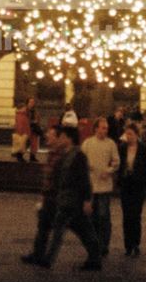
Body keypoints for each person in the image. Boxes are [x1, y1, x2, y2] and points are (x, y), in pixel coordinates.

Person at [41, 124, 102, 271]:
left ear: (69, 139)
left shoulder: (78, 156)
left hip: (74, 201)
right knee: (82, 231)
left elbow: (84, 179)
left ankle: (49, 260)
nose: (59, 139)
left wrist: (87, 200)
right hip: (67, 200)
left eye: (62, 137)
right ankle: (95, 259)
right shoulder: (66, 155)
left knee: (75, 230)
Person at [20, 125, 62, 265]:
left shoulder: (61, 155)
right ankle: (38, 254)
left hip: (57, 198)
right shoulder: (52, 153)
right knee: (43, 227)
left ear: (57, 138)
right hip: (50, 196)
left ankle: (94, 254)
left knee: (76, 228)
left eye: (50, 134)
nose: (46, 136)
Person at [82, 116, 119, 257]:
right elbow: (82, 160)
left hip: (104, 187)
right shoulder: (88, 143)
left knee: (103, 216)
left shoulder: (111, 144)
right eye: (103, 128)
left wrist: (108, 170)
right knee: (91, 218)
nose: (105, 130)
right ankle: (93, 244)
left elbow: (116, 161)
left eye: (107, 128)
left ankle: (104, 245)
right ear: (96, 128)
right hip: (91, 187)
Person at [118, 122, 146, 257]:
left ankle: (136, 243)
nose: (128, 136)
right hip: (126, 185)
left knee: (136, 216)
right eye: (127, 134)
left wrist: (144, 183)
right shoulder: (122, 148)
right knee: (126, 216)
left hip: (138, 187)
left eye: (130, 134)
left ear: (136, 135)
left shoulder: (143, 150)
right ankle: (127, 245)